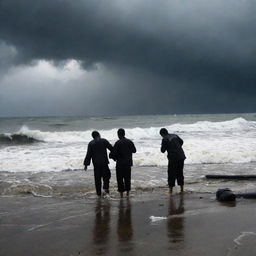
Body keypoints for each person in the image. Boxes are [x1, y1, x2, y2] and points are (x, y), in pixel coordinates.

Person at [84, 131, 113, 197]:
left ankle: (98, 194)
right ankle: (106, 190)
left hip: (96, 164)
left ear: (93, 137)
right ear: (99, 135)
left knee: (97, 179)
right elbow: (111, 148)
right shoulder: (104, 141)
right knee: (106, 176)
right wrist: (115, 156)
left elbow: (88, 155)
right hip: (104, 163)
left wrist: (86, 164)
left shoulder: (91, 143)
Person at [110, 128, 136, 198]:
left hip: (120, 164)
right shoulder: (130, 142)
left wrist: (113, 157)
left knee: (120, 179)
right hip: (128, 164)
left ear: (118, 135)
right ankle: (127, 193)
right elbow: (134, 150)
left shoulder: (118, 143)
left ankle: (121, 195)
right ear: (124, 134)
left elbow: (113, 154)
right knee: (127, 178)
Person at [160, 128, 186, 194]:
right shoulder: (175, 135)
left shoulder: (164, 139)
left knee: (171, 173)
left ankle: (170, 191)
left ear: (162, 134)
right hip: (181, 156)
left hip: (173, 158)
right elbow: (182, 142)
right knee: (180, 172)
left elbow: (162, 150)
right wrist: (177, 147)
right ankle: (182, 189)